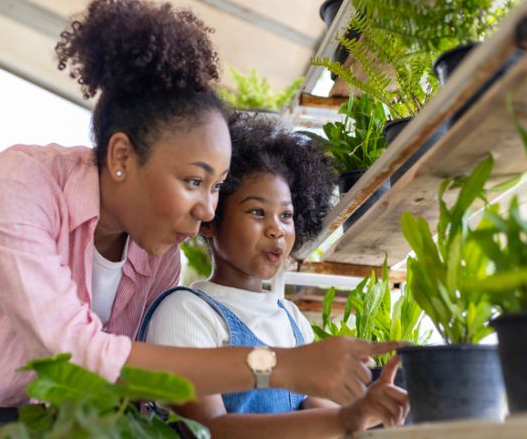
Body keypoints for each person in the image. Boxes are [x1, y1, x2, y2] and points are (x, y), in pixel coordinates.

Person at [0, 0, 399, 408]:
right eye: (193, 180)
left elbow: (126, 384)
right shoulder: (14, 188)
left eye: (217, 186)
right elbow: (74, 357)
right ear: (121, 155)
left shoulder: (153, 256)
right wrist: (281, 365)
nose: (208, 209)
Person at [139, 113, 409, 437]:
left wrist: (365, 411)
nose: (276, 230)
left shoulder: (291, 318)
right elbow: (209, 430)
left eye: (286, 216)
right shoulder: (186, 312)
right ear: (210, 220)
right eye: (257, 212)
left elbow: (320, 415)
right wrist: (343, 420)